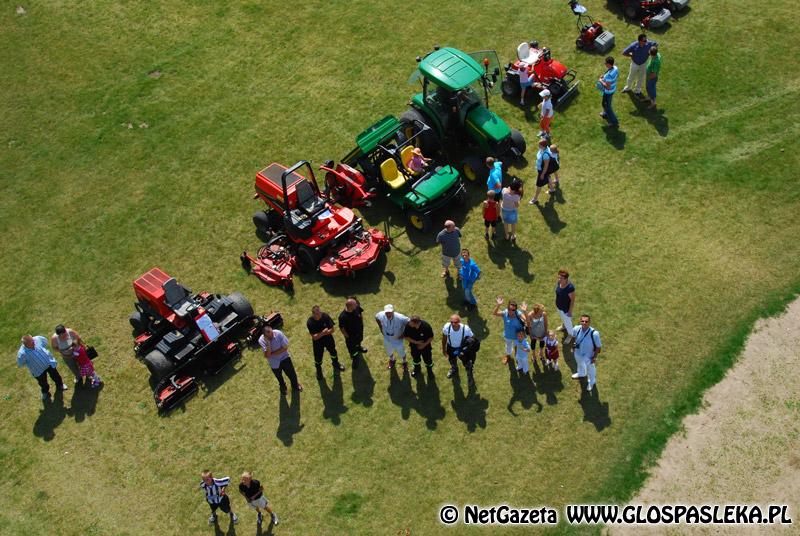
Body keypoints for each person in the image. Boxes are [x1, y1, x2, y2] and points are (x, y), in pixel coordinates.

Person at [17, 335, 68, 400]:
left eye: (33, 340)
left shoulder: (37, 339)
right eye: (31, 343)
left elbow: (45, 342)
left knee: (56, 375)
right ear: (25, 344)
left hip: (49, 363)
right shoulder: (22, 354)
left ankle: (60, 385)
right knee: (43, 382)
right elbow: (20, 363)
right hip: (38, 370)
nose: (34, 343)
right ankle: (45, 392)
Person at [259, 325, 303, 394]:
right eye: (269, 336)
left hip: (285, 357)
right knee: (279, 377)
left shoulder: (278, 333)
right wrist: (268, 343)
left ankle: (295, 385)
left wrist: (272, 354)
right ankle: (283, 387)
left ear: (272, 330)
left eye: (272, 334)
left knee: (292, 374)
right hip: (274, 362)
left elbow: (285, 347)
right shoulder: (261, 340)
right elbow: (267, 355)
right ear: (265, 336)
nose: (272, 336)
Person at [307, 305, 345, 377]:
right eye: (317, 314)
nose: (319, 315)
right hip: (318, 343)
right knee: (318, 357)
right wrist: (323, 333)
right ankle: (318, 371)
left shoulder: (325, 316)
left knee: (333, 351)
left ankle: (335, 363)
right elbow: (314, 337)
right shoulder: (310, 322)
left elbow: (332, 330)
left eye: (320, 312)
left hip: (328, 339)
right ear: (313, 314)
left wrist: (321, 334)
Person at [570, 314, 602, 392]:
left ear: (589, 322)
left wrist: (594, 357)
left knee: (590, 369)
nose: (584, 323)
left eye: (586, 321)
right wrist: (572, 346)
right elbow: (573, 337)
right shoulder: (576, 329)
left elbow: (598, 347)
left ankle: (592, 381)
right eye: (582, 321)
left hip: (589, 355)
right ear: (580, 321)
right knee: (579, 364)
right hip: (578, 352)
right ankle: (581, 374)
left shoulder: (594, 333)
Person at [492, 296, 527, 365]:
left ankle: (518, 357)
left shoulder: (518, 313)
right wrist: (498, 305)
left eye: (513, 310)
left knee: (518, 347)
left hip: (518, 336)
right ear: (508, 308)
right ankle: (508, 356)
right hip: (508, 336)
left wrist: (525, 311)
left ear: (516, 310)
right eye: (509, 309)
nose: (511, 311)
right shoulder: (505, 313)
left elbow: (526, 320)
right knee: (508, 347)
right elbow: (494, 313)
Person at [441, 314, 475, 384]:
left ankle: (470, 377)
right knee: (452, 360)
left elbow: (472, 338)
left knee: (467, 364)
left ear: (459, 321)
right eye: (451, 322)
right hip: (451, 348)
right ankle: (454, 368)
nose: (453, 324)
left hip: (462, 349)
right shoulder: (447, 327)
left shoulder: (465, 329)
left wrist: (467, 348)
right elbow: (444, 338)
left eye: (455, 322)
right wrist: (444, 349)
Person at [375, 304, 410, 369]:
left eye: (390, 312)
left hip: (397, 339)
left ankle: (404, 362)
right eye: (387, 313)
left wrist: (404, 334)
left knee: (401, 351)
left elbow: (410, 323)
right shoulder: (381, 315)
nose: (388, 314)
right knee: (388, 350)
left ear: (393, 311)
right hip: (387, 338)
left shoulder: (400, 318)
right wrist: (380, 326)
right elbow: (376, 317)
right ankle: (392, 360)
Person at [338, 297, 367, 368]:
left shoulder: (356, 308)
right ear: (350, 307)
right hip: (350, 336)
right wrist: (347, 336)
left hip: (359, 331)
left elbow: (360, 314)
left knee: (359, 340)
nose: (356, 305)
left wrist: (361, 324)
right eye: (355, 304)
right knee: (352, 348)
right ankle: (355, 358)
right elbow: (342, 328)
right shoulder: (343, 316)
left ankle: (359, 347)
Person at [529, 138, 556, 205]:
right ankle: (552, 189)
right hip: (541, 170)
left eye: (539, 145)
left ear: (543, 146)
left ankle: (535, 199)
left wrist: (542, 174)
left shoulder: (546, 155)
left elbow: (546, 166)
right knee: (548, 178)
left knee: (539, 185)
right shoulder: (543, 149)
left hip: (542, 171)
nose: (538, 146)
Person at [555, 269, 576, 343]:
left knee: (568, 324)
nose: (559, 279)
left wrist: (570, 312)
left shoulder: (570, 288)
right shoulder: (559, 283)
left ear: (566, 279)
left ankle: (570, 334)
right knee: (562, 318)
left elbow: (572, 300)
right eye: (558, 277)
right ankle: (563, 326)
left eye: (561, 278)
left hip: (566, 310)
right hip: (559, 307)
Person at [598, 56, 619, 127]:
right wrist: (604, 76)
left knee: (607, 106)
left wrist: (601, 80)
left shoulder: (609, 76)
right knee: (605, 104)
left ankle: (614, 122)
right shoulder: (615, 68)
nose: (605, 64)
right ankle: (605, 113)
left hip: (608, 92)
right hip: (613, 89)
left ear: (609, 64)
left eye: (606, 63)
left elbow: (608, 87)